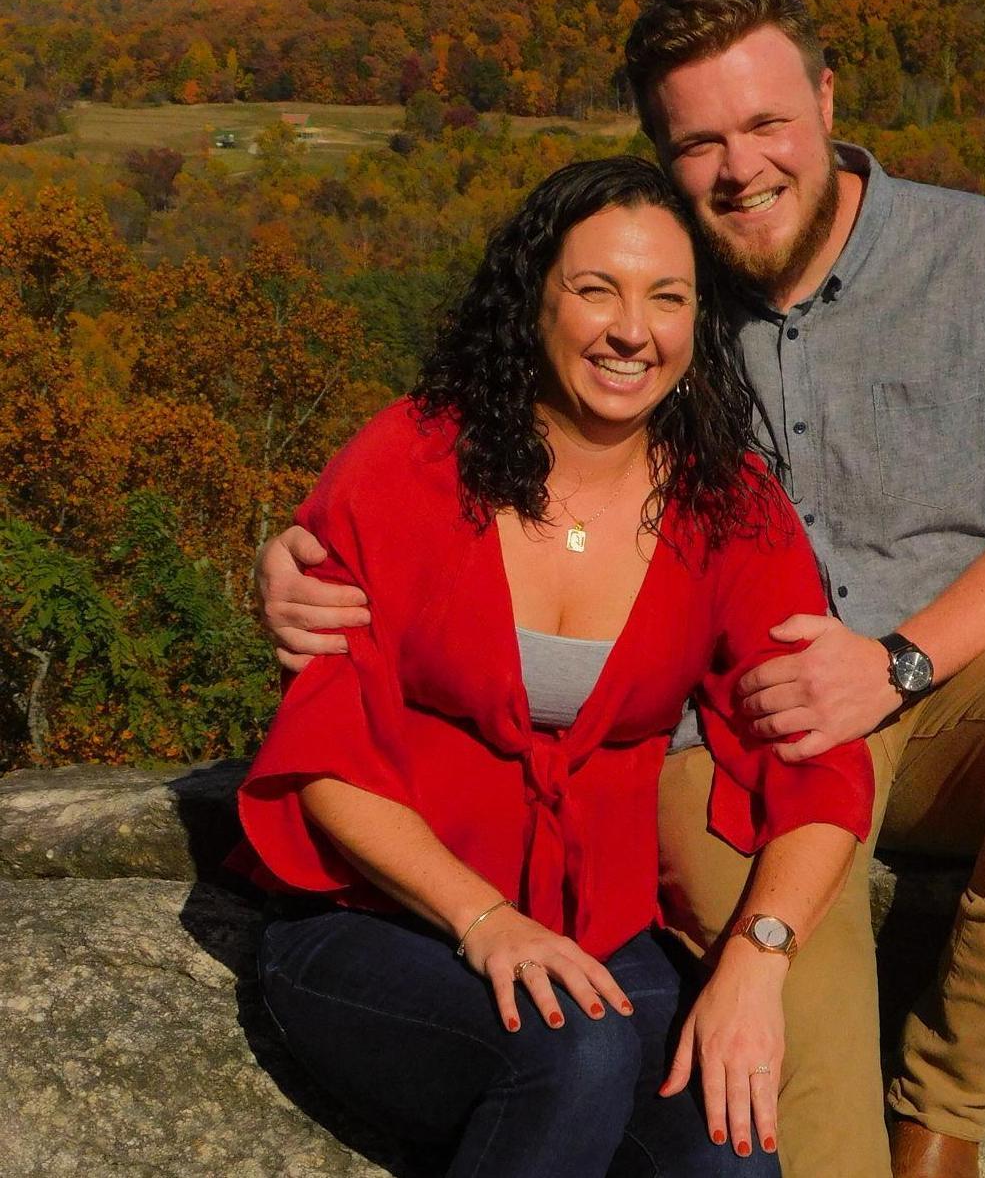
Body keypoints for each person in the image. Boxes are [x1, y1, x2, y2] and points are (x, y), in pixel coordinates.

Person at [260, 0, 985, 1178]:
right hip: (727, 739)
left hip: (940, 676)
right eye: (697, 140)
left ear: (825, 98)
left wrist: (897, 662)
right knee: (772, 1131)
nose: (739, 166)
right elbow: (427, 490)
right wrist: (283, 553)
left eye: (764, 123)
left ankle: (945, 1117)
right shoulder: (642, 325)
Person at [240, 155, 874, 1178]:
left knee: (728, 1143)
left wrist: (756, 958)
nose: (634, 329)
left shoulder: (727, 508)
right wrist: (483, 918)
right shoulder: (407, 463)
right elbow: (327, 754)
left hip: (600, 934)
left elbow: (814, 758)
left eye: (667, 297)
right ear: (533, 298)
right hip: (374, 921)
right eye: (596, 290)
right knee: (570, 1054)